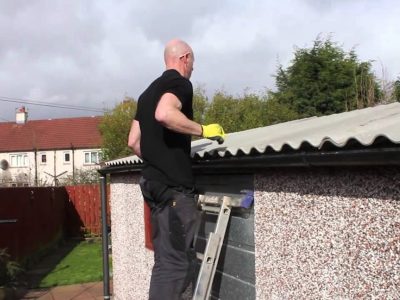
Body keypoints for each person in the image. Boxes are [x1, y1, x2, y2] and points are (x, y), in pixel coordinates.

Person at [128, 38, 225, 300]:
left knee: (165, 261)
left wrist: (157, 160)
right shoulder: (179, 83)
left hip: (153, 186)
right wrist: (203, 130)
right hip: (173, 190)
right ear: (184, 58)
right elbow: (165, 114)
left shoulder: (147, 92)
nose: (193, 68)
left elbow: (133, 141)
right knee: (175, 265)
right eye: (193, 62)